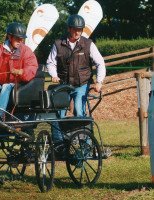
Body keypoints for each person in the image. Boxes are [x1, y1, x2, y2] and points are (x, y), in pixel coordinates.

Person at [46, 14, 106, 143]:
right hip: (63, 85)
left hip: (82, 84)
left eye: (80, 29)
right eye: (75, 29)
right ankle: (59, 143)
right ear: (69, 28)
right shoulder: (58, 44)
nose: (77, 32)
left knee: (79, 111)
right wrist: (54, 75)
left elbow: (100, 63)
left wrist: (99, 82)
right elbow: (50, 63)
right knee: (59, 113)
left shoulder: (88, 44)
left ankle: (85, 145)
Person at [0, 22, 38, 113]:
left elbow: (32, 67)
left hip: (19, 84)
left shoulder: (26, 51)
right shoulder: (0, 49)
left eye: (22, 39)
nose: (20, 41)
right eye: (17, 38)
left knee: (6, 86)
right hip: (0, 82)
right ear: (9, 37)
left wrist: (21, 72)